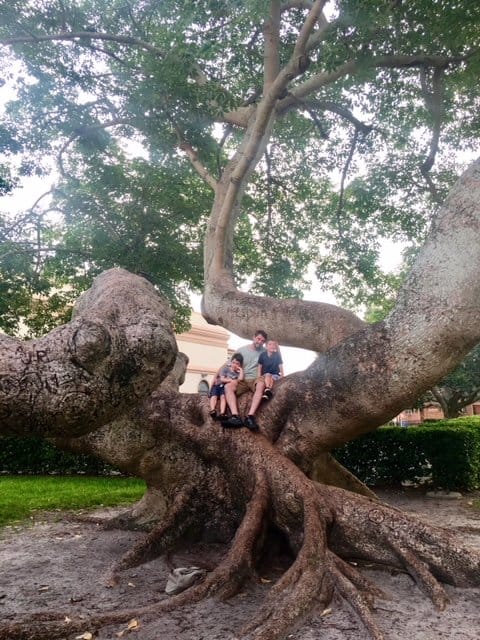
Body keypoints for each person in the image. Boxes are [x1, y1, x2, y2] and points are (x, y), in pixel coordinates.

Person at [222, 330, 268, 431]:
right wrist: (216, 378)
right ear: (253, 337)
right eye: (258, 339)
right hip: (242, 379)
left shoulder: (265, 352)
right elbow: (227, 364)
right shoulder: (241, 350)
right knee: (227, 387)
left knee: (261, 385)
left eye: (262, 341)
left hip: (256, 378)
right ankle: (235, 416)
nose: (260, 342)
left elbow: (275, 359)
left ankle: (250, 417)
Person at [208, 353, 244, 420]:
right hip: (218, 385)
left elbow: (240, 379)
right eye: (233, 362)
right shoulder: (226, 369)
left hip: (224, 388)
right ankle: (212, 410)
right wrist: (230, 380)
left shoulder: (237, 373)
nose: (234, 365)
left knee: (223, 397)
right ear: (231, 362)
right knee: (214, 396)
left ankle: (222, 412)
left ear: (240, 365)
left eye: (237, 364)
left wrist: (241, 370)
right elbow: (222, 379)